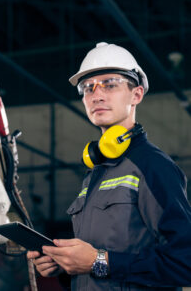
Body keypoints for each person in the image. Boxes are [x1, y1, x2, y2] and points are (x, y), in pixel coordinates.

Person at [27, 42, 191, 290]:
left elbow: (184, 264)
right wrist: (64, 265)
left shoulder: (152, 166)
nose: (97, 95)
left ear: (136, 95)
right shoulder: (96, 172)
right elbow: (95, 267)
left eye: (110, 84)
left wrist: (98, 262)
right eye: (88, 88)